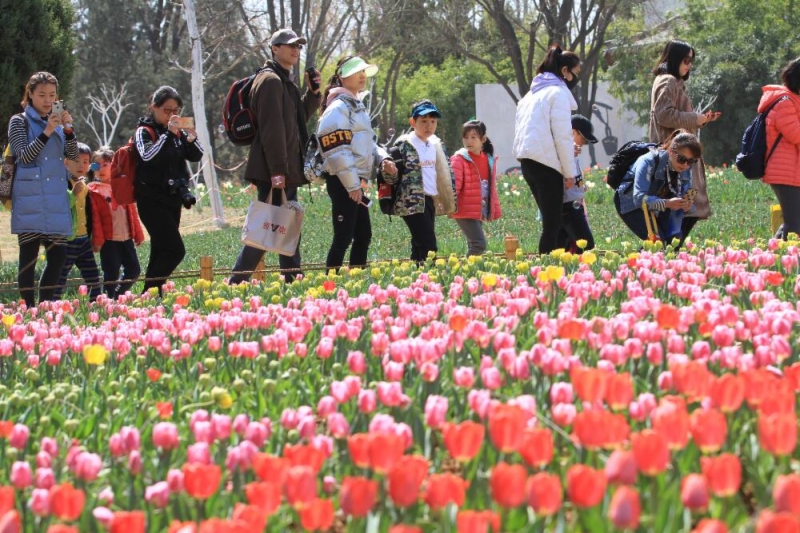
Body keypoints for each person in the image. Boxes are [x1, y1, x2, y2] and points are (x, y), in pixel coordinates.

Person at [230, 29, 321, 284]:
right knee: (266, 229)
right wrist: (278, 171)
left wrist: (313, 95)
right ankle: (237, 282)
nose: (295, 49)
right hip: (275, 169)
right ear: (274, 48)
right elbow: (272, 130)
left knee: (285, 225)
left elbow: (296, 121)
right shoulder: (270, 81)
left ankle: (293, 278)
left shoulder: (284, 81)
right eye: (289, 45)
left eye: (298, 46)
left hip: (283, 169)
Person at [316, 56, 397, 271]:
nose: (363, 76)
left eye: (364, 72)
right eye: (357, 71)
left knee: (363, 235)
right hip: (343, 181)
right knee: (344, 237)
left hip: (354, 181)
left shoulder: (355, 105)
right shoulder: (338, 108)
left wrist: (383, 159)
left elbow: (368, 143)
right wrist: (352, 185)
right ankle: (329, 286)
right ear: (343, 77)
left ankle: (355, 283)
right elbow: (337, 150)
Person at [8, 72, 77, 307]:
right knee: (28, 259)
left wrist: (68, 131)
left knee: (59, 257)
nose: (47, 100)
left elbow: (74, 157)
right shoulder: (19, 121)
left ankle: (45, 307)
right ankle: (27, 309)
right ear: (30, 94)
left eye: (52, 95)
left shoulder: (58, 123)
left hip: (56, 199)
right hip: (30, 198)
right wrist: (48, 130)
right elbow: (24, 157)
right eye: (42, 95)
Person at [134, 85, 203, 296]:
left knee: (161, 250)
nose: (172, 115)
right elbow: (147, 156)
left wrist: (190, 138)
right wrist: (167, 135)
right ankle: (148, 292)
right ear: (153, 107)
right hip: (151, 200)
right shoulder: (144, 131)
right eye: (167, 110)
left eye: (176, 110)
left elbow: (196, 155)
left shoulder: (178, 133)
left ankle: (153, 297)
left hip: (173, 199)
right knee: (175, 250)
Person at [512, 45, 582, 254]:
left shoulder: (529, 96)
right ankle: (546, 270)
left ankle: (557, 265)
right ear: (565, 72)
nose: (575, 79)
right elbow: (562, 137)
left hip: (527, 163)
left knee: (553, 221)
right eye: (575, 73)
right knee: (551, 225)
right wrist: (570, 173)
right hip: (547, 165)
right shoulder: (557, 93)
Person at [649, 40, 720, 240]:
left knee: (682, 212)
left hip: (680, 153)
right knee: (681, 212)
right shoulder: (668, 81)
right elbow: (664, 115)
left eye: (691, 60)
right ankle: (663, 256)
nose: (689, 65)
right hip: (676, 157)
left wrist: (701, 120)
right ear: (674, 59)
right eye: (686, 60)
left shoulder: (672, 81)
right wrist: (693, 118)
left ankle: (665, 256)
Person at [385, 100, 456, 263]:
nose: (429, 126)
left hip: (429, 199)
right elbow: (391, 178)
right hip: (411, 202)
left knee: (419, 246)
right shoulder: (404, 145)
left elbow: (444, 174)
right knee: (428, 245)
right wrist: (389, 170)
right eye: (423, 121)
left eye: (433, 121)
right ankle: (429, 280)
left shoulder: (435, 145)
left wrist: (449, 201)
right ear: (412, 122)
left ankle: (415, 280)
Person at [614, 130, 702, 244]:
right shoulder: (648, 161)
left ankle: (645, 258)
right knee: (658, 243)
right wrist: (667, 203)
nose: (686, 165)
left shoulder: (686, 166)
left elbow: (684, 191)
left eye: (691, 161)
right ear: (670, 151)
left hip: (660, 201)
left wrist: (685, 204)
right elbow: (638, 198)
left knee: (672, 243)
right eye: (682, 159)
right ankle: (637, 261)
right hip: (630, 202)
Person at [87, 147, 144, 298]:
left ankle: (117, 296)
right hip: (109, 240)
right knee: (111, 273)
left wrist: (138, 233)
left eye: (105, 164)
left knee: (134, 270)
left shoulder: (122, 187)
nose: (100, 169)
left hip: (126, 238)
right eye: (96, 166)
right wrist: (98, 241)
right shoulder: (94, 191)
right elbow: (96, 219)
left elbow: (132, 213)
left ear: (115, 165)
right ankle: (109, 301)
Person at [760, 57, 800, 239]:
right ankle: (774, 259)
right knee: (794, 224)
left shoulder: (794, 100)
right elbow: (795, 134)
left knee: (794, 223)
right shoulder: (784, 101)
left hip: (793, 172)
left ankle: (775, 258)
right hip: (784, 173)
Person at [56, 142, 102, 299]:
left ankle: (97, 305)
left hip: (84, 240)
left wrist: (93, 236)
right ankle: (50, 305)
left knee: (93, 277)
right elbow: (59, 207)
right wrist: (73, 194)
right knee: (59, 276)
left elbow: (90, 214)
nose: (81, 165)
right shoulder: (61, 183)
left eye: (85, 161)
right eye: (76, 161)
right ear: (65, 162)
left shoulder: (85, 185)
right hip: (67, 240)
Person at [449, 120, 502, 256]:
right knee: (479, 245)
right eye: (466, 137)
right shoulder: (459, 159)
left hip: (479, 208)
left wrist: (493, 207)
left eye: (473, 137)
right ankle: (463, 274)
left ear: (483, 139)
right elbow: (454, 185)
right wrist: (450, 205)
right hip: (464, 208)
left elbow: (491, 188)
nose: (469, 141)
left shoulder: (488, 159)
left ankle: (469, 274)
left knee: (474, 244)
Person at [558, 115, 597, 252]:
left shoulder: (573, 154)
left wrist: (581, 185)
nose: (583, 143)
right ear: (573, 132)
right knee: (587, 246)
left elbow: (577, 175)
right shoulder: (562, 153)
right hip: (569, 205)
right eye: (583, 138)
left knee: (566, 248)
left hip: (573, 203)